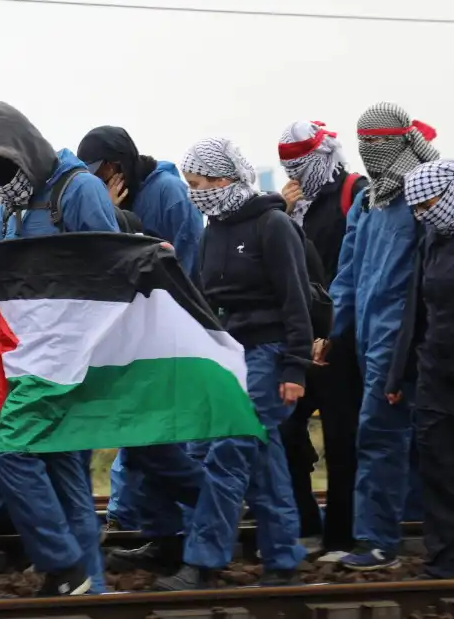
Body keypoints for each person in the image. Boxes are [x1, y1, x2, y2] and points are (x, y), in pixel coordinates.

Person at [0, 101, 118, 596]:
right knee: (66, 472)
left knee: (10, 450)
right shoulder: (15, 202)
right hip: (24, 359)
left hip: (67, 361)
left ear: (26, 152)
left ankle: (62, 563)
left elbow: (112, 264)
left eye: (4, 167)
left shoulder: (78, 191)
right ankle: (88, 583)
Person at [154, 137, 311, 590]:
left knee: (228, 453)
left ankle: (203, 561)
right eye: (189, 184)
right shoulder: (213, 230)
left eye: (201, 183)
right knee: (264, 461)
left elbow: (295, 299)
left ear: (226, 178)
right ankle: (283, 558)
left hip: (268, 353)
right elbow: (206, 300)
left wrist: (295, 367)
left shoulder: (272, 224)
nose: (194, 192)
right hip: (230, 357)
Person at [76, 126, 204, 558]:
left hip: (167, 331)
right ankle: (161, 533)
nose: (101, 178)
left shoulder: (167, 192)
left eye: (106, 169)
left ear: (122, 162)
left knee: (159, 442)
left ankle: (206, 512)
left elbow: (183, 264)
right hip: (133, 334)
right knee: (144, 441)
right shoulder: (114, 199)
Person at [324, 103, 439, 571]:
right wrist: (330, 332)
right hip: (369, 340)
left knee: (382, 435)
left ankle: (378, 541)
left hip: (406, 342)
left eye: (378, 141)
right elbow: (347, 276)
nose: (369, 152)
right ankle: (402, 529)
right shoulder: (371, 201)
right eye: (362, 142)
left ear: (399, 141)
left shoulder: (424, 198)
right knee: (395, 438)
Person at [276, 120, 368, 556]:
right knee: (286, 430)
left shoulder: (353, 192)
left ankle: (341, 536)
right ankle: (307, 522)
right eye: (286, 165)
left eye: (300, 163)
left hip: (341, 341)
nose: (295, 172)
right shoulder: (292, 206)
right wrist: (284, 212)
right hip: (300, 337)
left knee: (341, 439)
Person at [397, 160, 454, 579]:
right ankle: (443, 560)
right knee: (437, 465)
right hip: (436, 369)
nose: (422, 213)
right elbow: (416, 307)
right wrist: (398, 372)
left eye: (428, 202)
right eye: (415, 207)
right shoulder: (433, 238)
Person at [77, 126, 203, 273]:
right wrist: (108, 211)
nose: (95, 180)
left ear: (117, 164)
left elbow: (190, 256)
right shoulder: (107, 198)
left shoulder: (171, 192)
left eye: (98, 173)